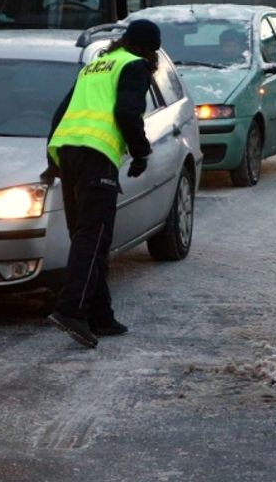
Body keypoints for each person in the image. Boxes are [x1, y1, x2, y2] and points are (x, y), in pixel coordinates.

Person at [42, 19, 159, 348]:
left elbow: (60, 113)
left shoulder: (95, 66)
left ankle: (100, 315)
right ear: (151, 50)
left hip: (68, 153)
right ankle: (71, 310)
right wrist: (140, 153)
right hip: (96, 155)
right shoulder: (134, 67)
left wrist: (52, 159)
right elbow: (126, 113)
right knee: (93, 237)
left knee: (85, 236)